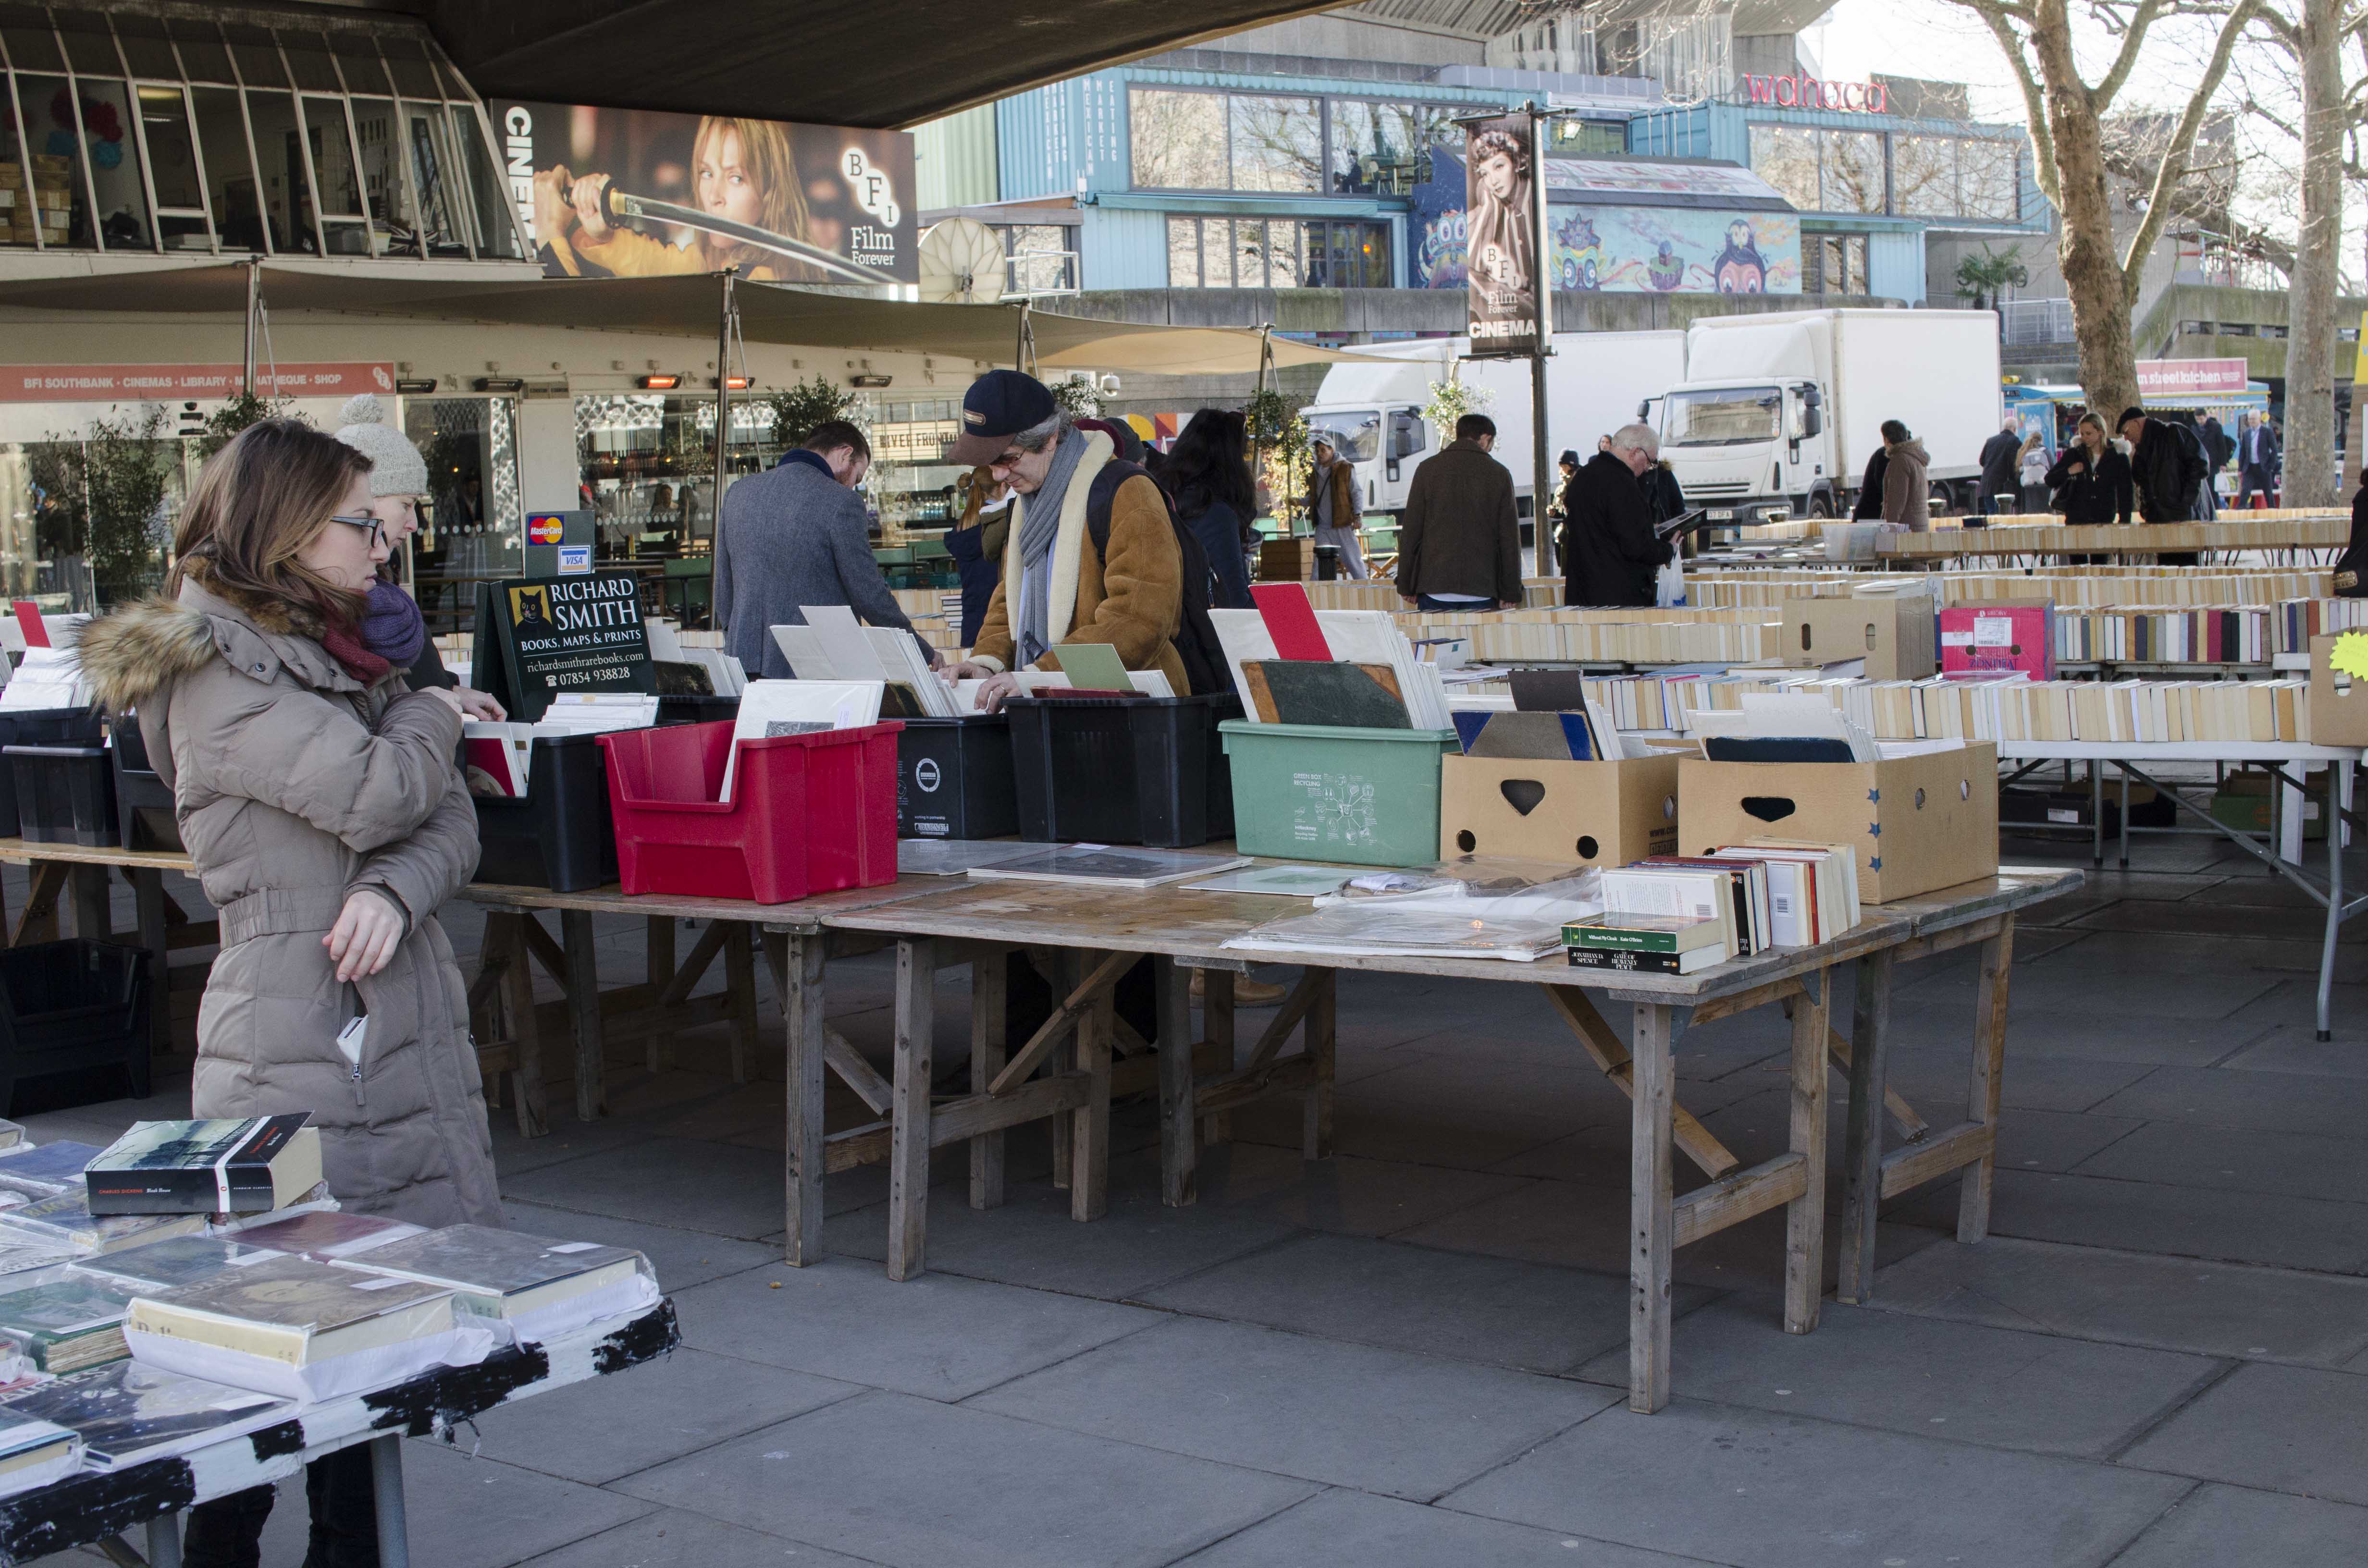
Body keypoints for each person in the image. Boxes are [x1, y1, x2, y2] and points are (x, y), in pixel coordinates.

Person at [77, 419, 498, 1568]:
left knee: (371, 1348)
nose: (385, 548)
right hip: (300, 1033)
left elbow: (447, 820)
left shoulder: (335, 646)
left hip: (383, 1012)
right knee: (283, 1350)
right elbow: (377, 794)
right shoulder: (215, 666)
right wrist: (433, 701)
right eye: (364, 525)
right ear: (291, 529)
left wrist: (400, 892)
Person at [942, 370, 1186, 711]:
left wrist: (1042, 674)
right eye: (989, 463)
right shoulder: (1025, 502)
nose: (998, 475)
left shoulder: (1128, 492)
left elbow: (1139, 619)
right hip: (1049, 713)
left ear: (1051, 438)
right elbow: (1011, 601)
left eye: (1009, 458)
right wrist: (987, 661)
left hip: (1131, 714)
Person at [331, 394, 505, 717]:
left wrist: (450, 687)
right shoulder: (334, 608)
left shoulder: (380, 593)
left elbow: (403, 688)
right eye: (406, 504)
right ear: (367, 502)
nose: (413, 524)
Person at [714, 419, 930, 680]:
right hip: (818, 666)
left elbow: (723, 590)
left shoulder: (738, 493)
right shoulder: (841, 502)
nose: (853, 486)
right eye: (857, 476)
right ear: (845, 454)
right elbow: (869, 595)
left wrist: (736, 639)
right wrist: (921, 652)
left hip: (744, 662)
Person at [534, 116, 820, 282]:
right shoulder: (711, 264)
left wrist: (550, 232)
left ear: (771, 192)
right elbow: (648, 262)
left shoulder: (763, 279)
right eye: (707, 173)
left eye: (736, 178)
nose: (714, 196)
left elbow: (573, 329)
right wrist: (602, 232)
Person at [1394, 414, 1522, 613]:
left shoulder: (1427, 470)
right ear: (1486, 438)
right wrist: (1511, 591)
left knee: (1436, 644)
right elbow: (1509, 539)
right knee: (1479, 645)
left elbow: (1411, 531)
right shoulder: (1499, 473)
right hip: (1482, 587)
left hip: (1434, 586)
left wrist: (1406, 584)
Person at [1562, 424, 1674, 607]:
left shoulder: (1583, 476)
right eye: (1649, 461)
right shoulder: (1622, 484)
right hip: (1619, 598)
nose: (1648, 469)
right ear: (1635, 452)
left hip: (1582, 592)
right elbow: (1636, 546)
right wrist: (1669, 549)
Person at [1163, 410, 1256, 609]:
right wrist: (1288, 612)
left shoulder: (1168, 499)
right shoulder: (1216, 514)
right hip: (1213, 634)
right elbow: (1235, 599)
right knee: (1299, 623)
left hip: (1177, 630)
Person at [2121, 405, 2210, 564]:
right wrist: (2147, 511)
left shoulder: (2174, 432)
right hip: (2159, 520)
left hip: (2182, 518)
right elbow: (2142, 483)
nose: (2126, 438)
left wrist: (2186, 504)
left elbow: (2200, 465)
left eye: (2126, 431)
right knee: (2165, 573)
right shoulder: (2141, 450)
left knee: (2187, 570)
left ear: (2137, 423)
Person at [942, 466, 1008, 648]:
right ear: (1002, 487)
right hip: (1000, 620)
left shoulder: (961, 528)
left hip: (972, 619)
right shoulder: (1002, 525)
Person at [2044, 413, 2133, 524]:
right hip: (2076, 520)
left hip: (2104, 520)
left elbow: (2126, 493)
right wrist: (2069, 471)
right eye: (2082, 434)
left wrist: (2125, 522)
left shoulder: (2118, 458)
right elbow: (2049, 480)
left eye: (2089, 434)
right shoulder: (2074, 454)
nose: (2085, 438)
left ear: (2101, 432)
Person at [1307, 434, 1368, 579]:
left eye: (1323, 450)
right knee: (1318, 566)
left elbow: (1356, 492)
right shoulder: (1315, 471)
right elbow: (1315, 498)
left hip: (1342, 524)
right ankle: (1315, 596)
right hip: (1323, 527)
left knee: (1353, 561)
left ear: (1332, 450)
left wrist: (1358, 514)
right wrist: (1300, 501)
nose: (1320, 454)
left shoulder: (1345, 467)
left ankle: (1367, 589)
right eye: (1318, 451)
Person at [1880, 419, 1931, 532]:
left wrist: (1888, 528)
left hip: (1906, 529)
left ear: (1887, 440)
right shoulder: (1915, 457)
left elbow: (1896, 501)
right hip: (1920, 524)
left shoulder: (1900, 461)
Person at [1977, 416, 2021, 516]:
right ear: (2014, 429)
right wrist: (2014, 479)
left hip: (1987, 486)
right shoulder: (2015, 441)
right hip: (2002, 488)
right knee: (2002, 517)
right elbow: (2013, 465)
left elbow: (1982, 461)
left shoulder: (1991, 440)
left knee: (1992, 515)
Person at [2237, 412, 2282, 507]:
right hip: (2249, 467)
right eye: (2250, 419)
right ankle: (2239, 512)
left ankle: (2273, 513)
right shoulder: (2246, 433)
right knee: (2245, 492)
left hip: (2263, 467)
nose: (2252, 421)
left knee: (2268, 493)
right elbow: (2243, 453)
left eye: (2254, 419)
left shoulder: (2267, 431)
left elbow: (2274, 450)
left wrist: (2271, 466)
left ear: (2259, 419)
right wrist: (2240, 469)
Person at [1851, 443, 1889, 521]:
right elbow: (1882, 485)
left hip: (1869, 515)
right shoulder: (1885, 454)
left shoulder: (1884, 453)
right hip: (1870, 517)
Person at [2017, 430, 2050, 514]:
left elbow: (2019, 470)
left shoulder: (2023, 452)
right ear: (2041, 440)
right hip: (2043, 484)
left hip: (2028, 485)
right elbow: (2050, 468)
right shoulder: (2045, 451)